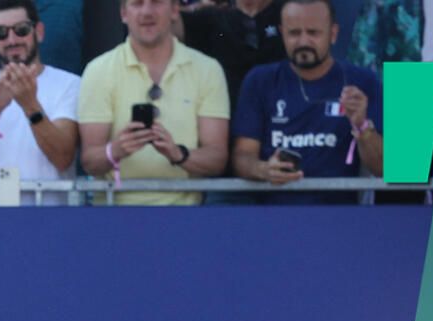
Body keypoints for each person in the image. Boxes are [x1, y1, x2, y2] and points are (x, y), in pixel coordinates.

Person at [77, 0, 228, 205]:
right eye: (137, 3)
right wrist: (117, 149)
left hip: (186, 216)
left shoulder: (208, 70)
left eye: (156, 2)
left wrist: (178, 154)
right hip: (114, 215)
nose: (147, 12)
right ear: (123, 13)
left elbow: (217, 159)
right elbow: (89, 161)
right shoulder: (98, 71)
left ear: (175, 10)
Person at [231, 0, 382, 202]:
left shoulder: (362, 81)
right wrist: (264, 169)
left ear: (333, 34)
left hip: (339, 217)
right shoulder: (260, 80)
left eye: (313, 33)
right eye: (294, 33)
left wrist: (362, 126)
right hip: (271, 215)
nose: (303, 41)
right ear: (281, 33)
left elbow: (382, 167)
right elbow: (242, 156)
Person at [0, 0, 80, 206]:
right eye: (1, 33)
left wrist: (30, 105)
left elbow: (63, 158)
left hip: (52, 218)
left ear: (39, 32)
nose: (12, 39)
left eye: (21, 30)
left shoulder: (70, 84)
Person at [178, 0, 284, 113]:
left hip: (282, 114)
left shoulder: (290, 11)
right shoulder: (211, 18)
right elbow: (170, 25)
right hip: (226, 117)